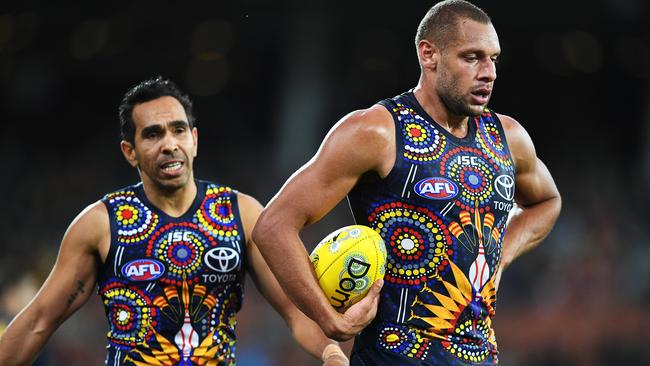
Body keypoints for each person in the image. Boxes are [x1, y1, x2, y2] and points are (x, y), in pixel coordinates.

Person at [252, 1, 562, 365]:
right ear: (428, 54)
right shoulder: (377, 132)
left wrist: (501, 255)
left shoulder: (508, 137)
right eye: (472, 57)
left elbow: (547, 201)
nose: (489, 72)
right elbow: (273, 226)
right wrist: (330, 321)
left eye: (493, 58)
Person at [0, 76, 351, 366]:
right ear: (129, 151)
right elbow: (37, 322)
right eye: (153, 134)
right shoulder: (101, 224)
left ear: (194, 140)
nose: (169, 144)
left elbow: (294, 309)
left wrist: (331, 351)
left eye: (178, 130)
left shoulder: (242, 214)